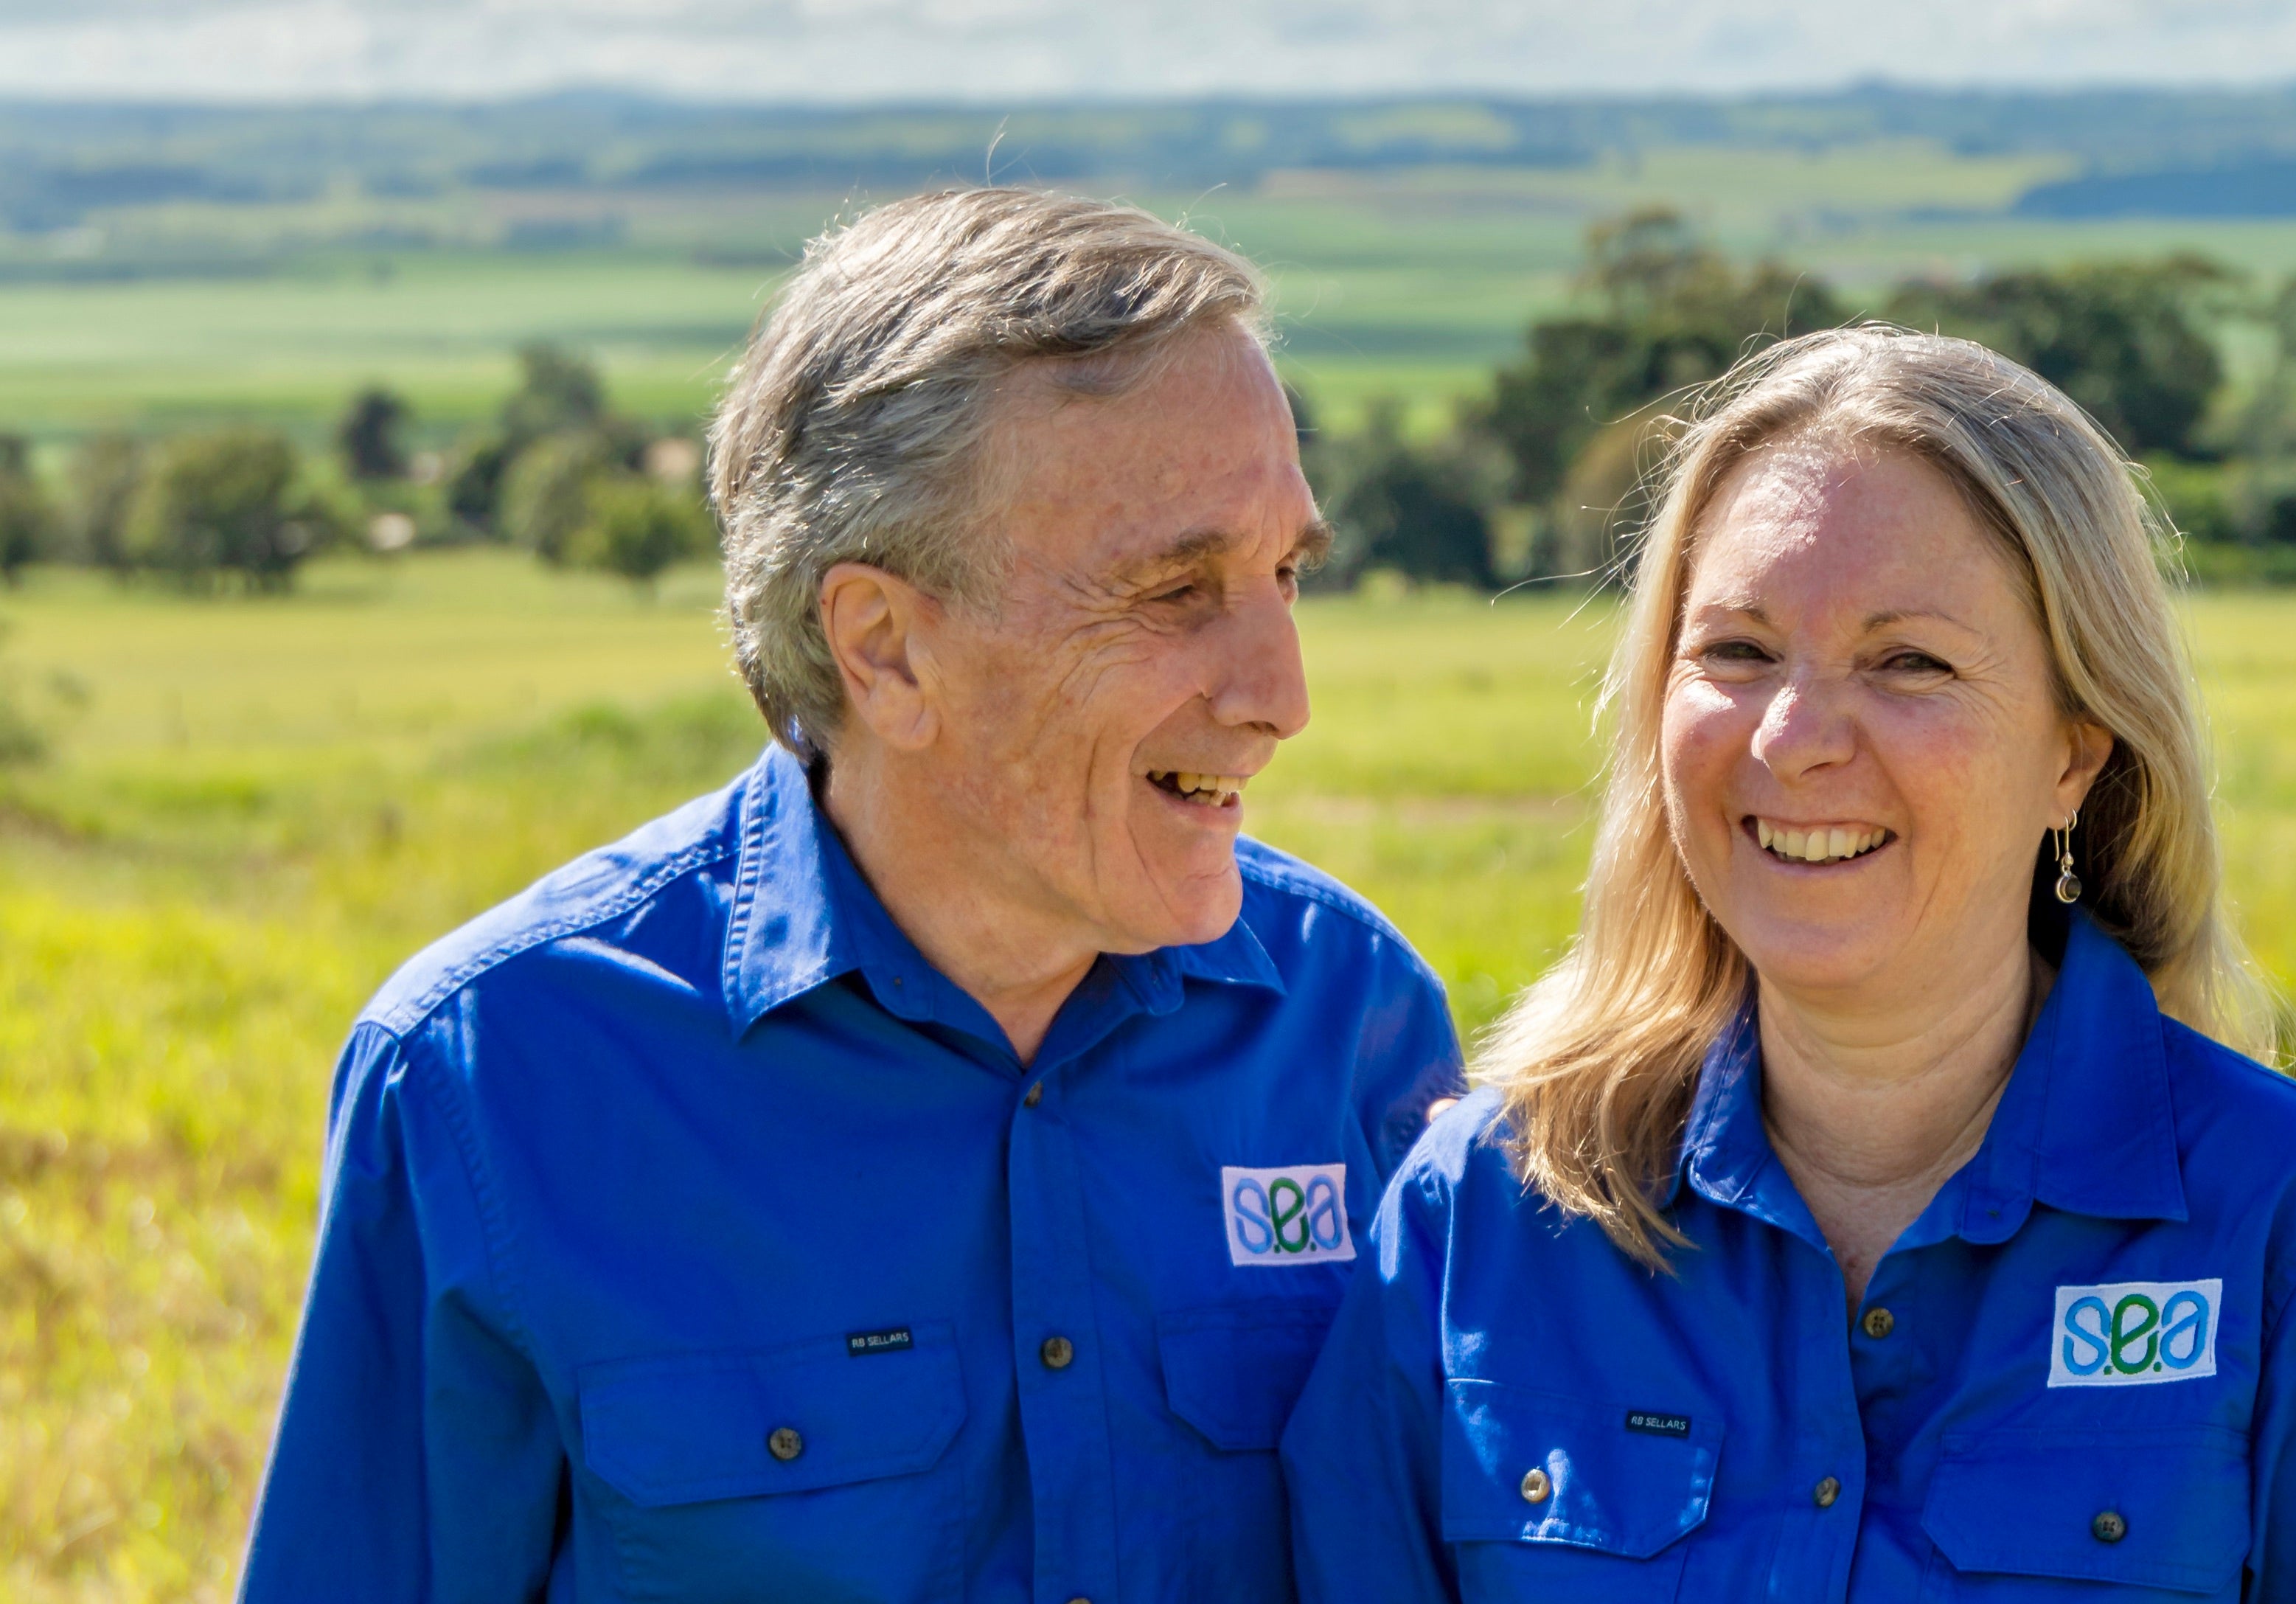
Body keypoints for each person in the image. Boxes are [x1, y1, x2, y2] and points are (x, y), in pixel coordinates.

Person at [239, 188, 1464, 1603]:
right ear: (883, 649)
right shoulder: (490, 1080)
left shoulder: (1350, 1020)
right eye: (1177, 590)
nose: (1280, 697)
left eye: (1285, 576)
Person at [1281, 327, 2296, 1602]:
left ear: (2076, 748)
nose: (1792, 740)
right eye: (1735, 649)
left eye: (1908, 662)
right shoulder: (1485, 1218)